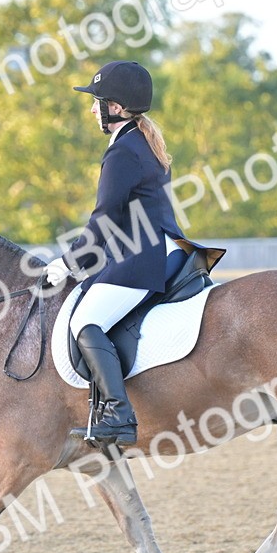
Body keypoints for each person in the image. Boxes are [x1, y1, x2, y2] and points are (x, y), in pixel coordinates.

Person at [43, 61, 189, 446]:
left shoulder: (124, 152)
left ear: (119, 108)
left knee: (84, 321)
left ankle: (117, 414)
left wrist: (69, 264)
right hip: (158, 250)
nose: (93, 109)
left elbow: (104, 218)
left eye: (99, 102)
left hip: (141, 258)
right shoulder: (142, 143)